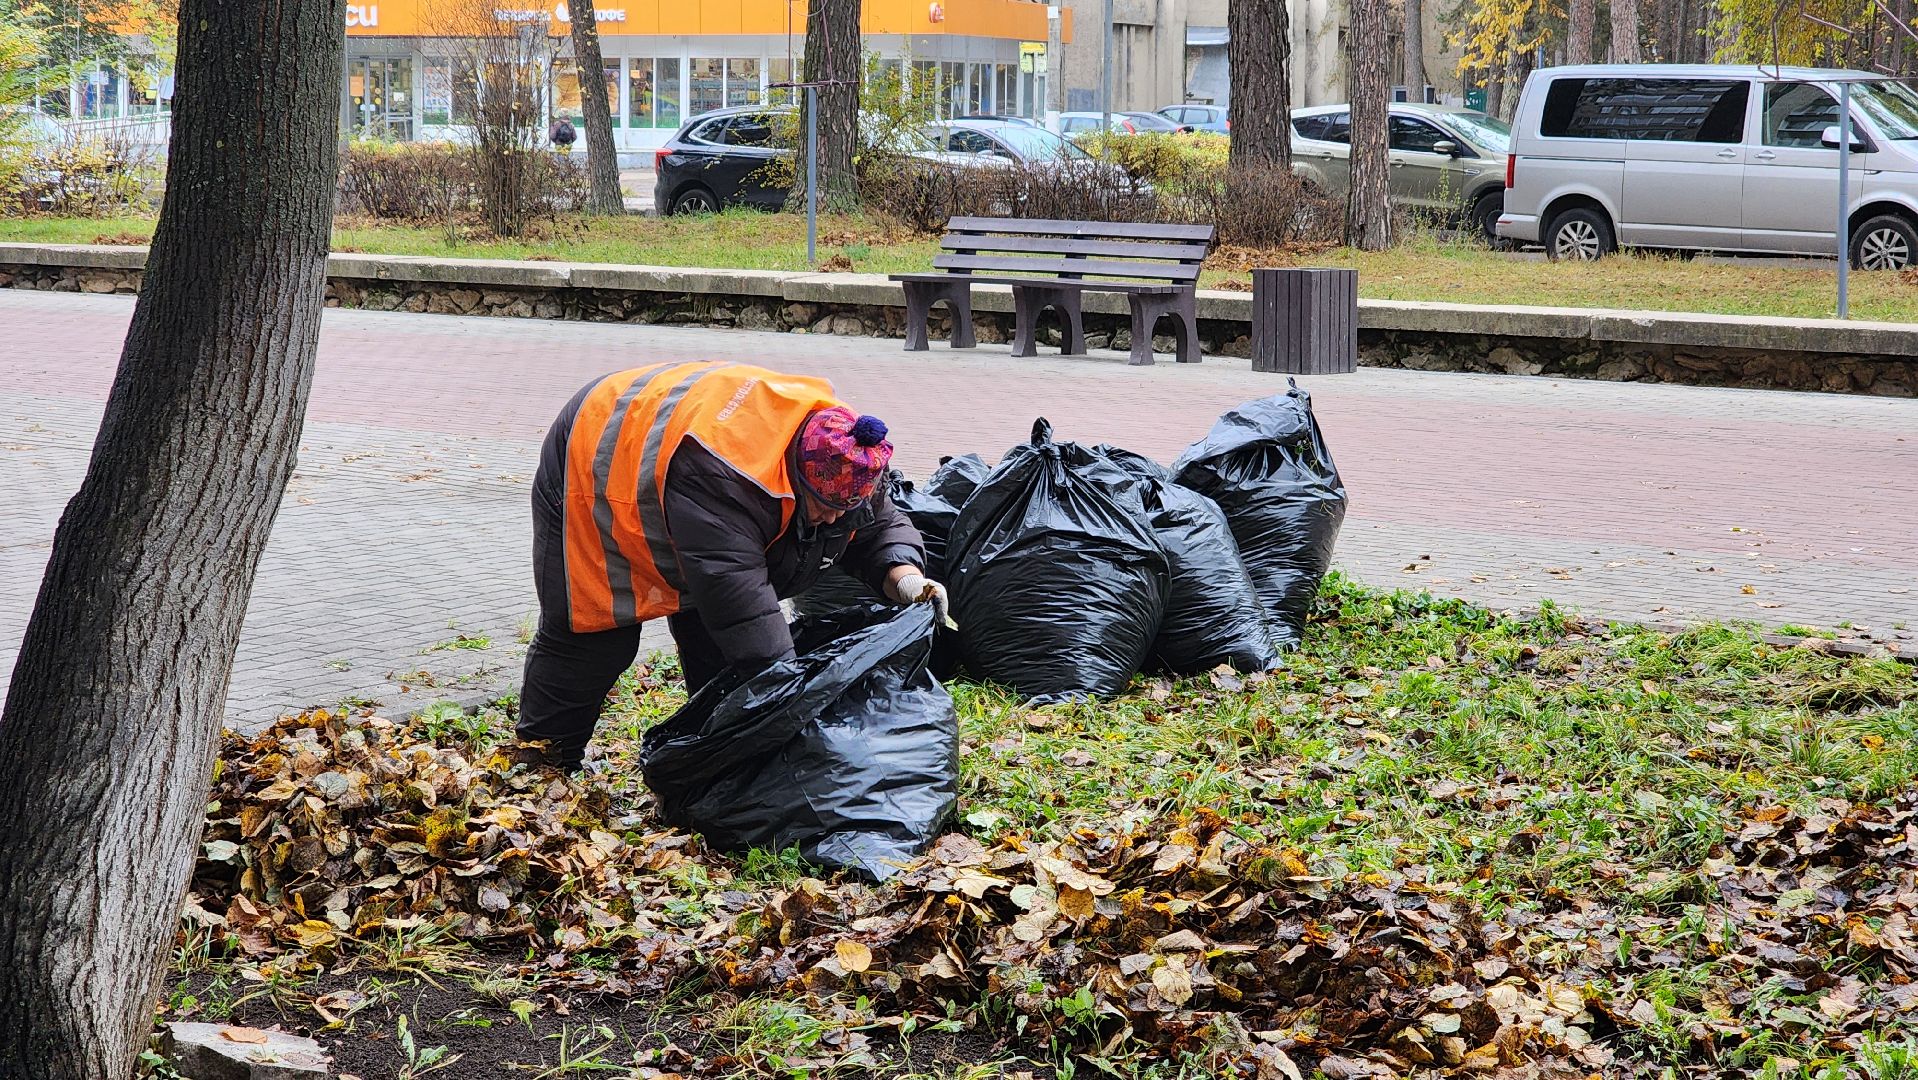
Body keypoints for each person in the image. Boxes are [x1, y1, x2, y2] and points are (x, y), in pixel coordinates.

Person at [515, 362, 948, 769]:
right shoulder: (730, 477)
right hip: (594, 463)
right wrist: (793, 707)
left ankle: (713, 752)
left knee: (716, 642)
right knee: (594, 637)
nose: (834, 518)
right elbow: (740, 601)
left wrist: (908, 579)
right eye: (823, 506)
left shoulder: (848, 453)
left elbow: (876, 525)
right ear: (796, 476)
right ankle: (541, 764)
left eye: (844, 506)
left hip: (682, 475)